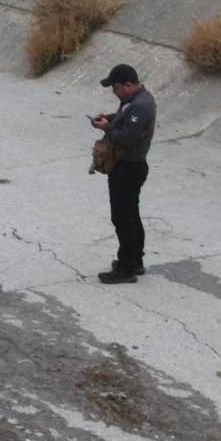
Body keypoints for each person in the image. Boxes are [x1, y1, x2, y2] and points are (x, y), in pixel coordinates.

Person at [90, 63, 156, 284]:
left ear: (128, 85)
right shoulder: (132, 102)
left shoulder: (142, 106)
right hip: (126, 167)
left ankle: (126, 268)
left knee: (122, 217)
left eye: (116, 87)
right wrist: (108, 118)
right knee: (130, 215)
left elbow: (126, 137)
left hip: (129, 168)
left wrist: (105, 128)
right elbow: (124, 118)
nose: (114, 92)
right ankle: (135, 260)